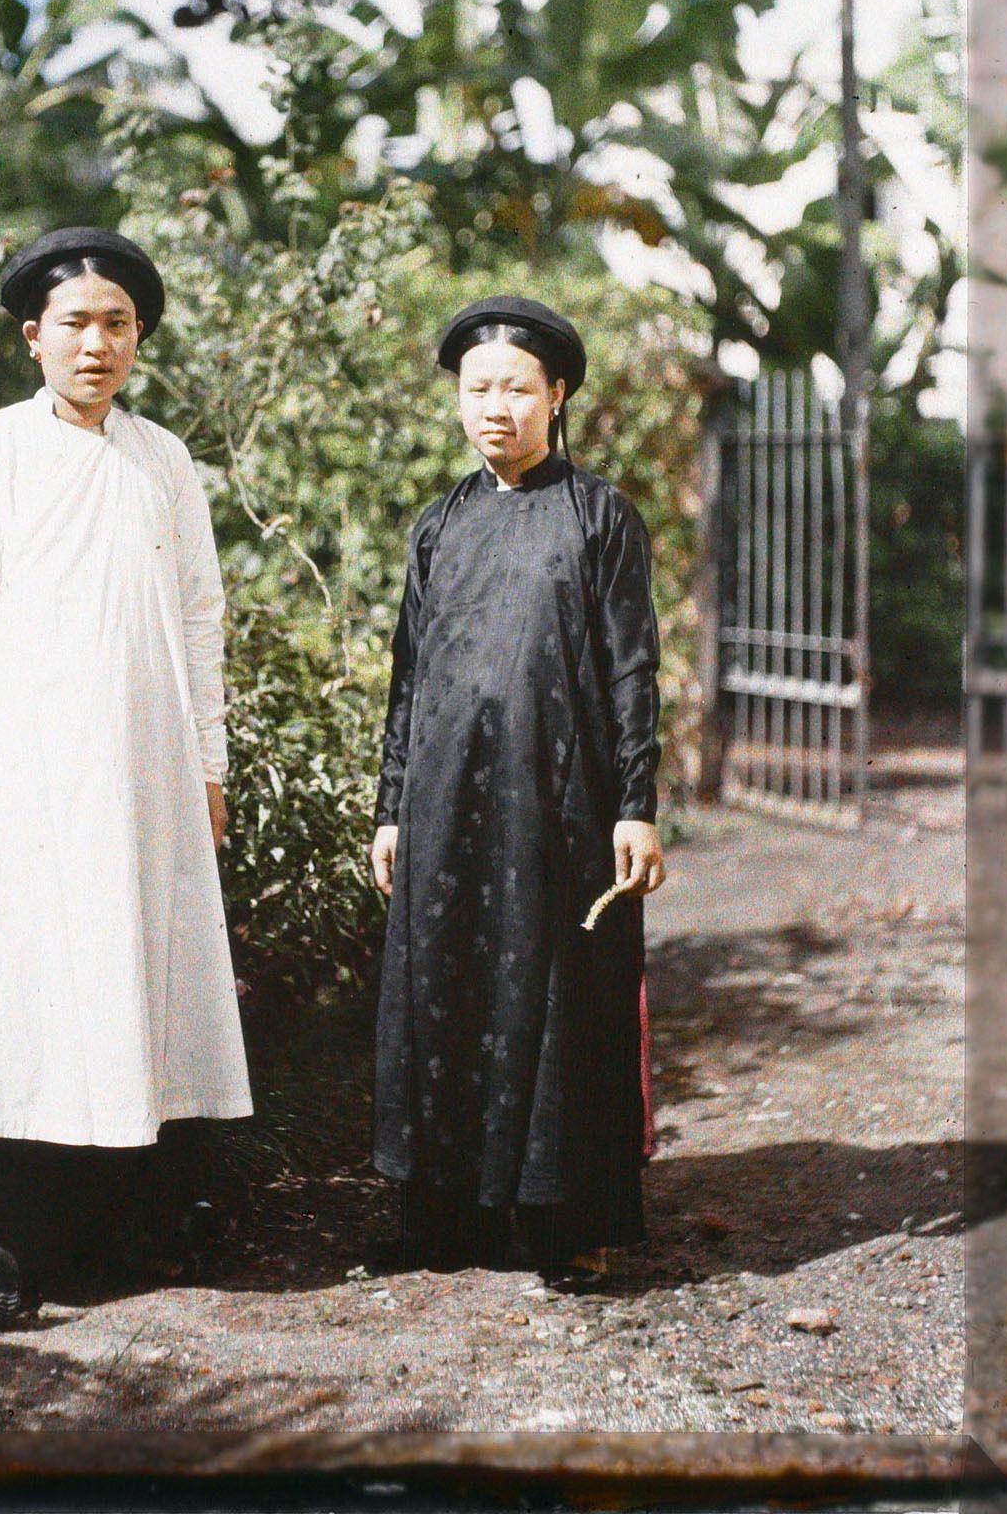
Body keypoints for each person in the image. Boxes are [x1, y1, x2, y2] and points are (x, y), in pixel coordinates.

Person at [0, 227, 252, 1326]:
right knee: (23, 992)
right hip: (30, 774)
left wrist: (208, 761)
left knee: (135, 976)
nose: (95, 345)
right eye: (74, 323)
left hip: (146, 775)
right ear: (30, 338)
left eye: (117, 324)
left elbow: (200, 615)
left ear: (138, 338)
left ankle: (135, 1220)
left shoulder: (165, 460)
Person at [369, 295, 666, 1284]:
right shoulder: (439, 523)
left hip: (561, 807)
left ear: (558, 394)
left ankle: (557, 1225)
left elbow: (631, 668)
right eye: (477, 387)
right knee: (444, 990)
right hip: (446, 806)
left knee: (554, 999)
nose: (495, 406)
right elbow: (409, 676)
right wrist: (390, 805)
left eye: (516, 387)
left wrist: (635, 802)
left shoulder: (598, 515)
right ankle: (441, 1217)